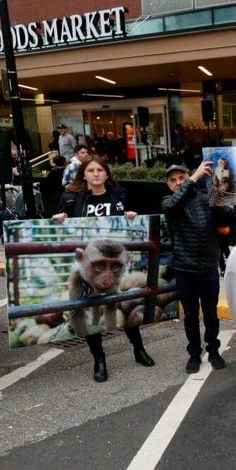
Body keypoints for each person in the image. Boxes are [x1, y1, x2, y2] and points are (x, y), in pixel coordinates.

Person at [162, 163, 236, 374]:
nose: (178, 182)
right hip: (183, 269)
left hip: (207, 268)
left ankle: (213, 350)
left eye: (182, 177)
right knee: (190, 315)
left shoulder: (209, 200)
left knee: (210, 314)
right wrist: (192, 180)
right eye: (173, 180)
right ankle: (193, 354)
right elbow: (172, 205)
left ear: (188, 175)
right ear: (168, 184)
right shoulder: (169, 202)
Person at [53, 156, 154, 382]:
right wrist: (60, 219)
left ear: (107, 175)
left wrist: (130, 217)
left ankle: (139, 349)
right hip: (89, 265)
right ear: (84, 175)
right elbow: (62, 226)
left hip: (113, 262)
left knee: (124, 307)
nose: (96, 174)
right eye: (91, 170)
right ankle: (99, 359)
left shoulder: (118, 196)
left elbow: (129, 225)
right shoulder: (72, 199)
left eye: (100, 170)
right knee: (88, 311)